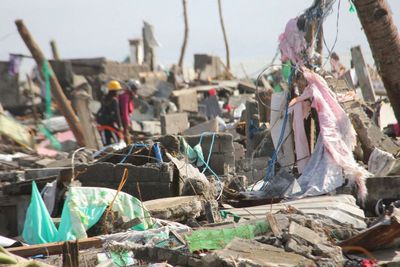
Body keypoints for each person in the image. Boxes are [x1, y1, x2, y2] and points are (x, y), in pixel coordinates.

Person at [96, 80, 123, 145]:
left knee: (106, 144)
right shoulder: (114, 100)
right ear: (115, 91)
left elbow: (101, 110)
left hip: (103, 125)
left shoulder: (104, 98)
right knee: (118, 143)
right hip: (111, 125)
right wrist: (120, 126)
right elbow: (117, 114)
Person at [119, 79, 140, 144]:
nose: (136, 91)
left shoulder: (128, 96)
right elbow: (125, 112)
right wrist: (127, 123)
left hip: (124, 122)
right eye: (135, 89)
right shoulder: (125, 96)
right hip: (122, 123)